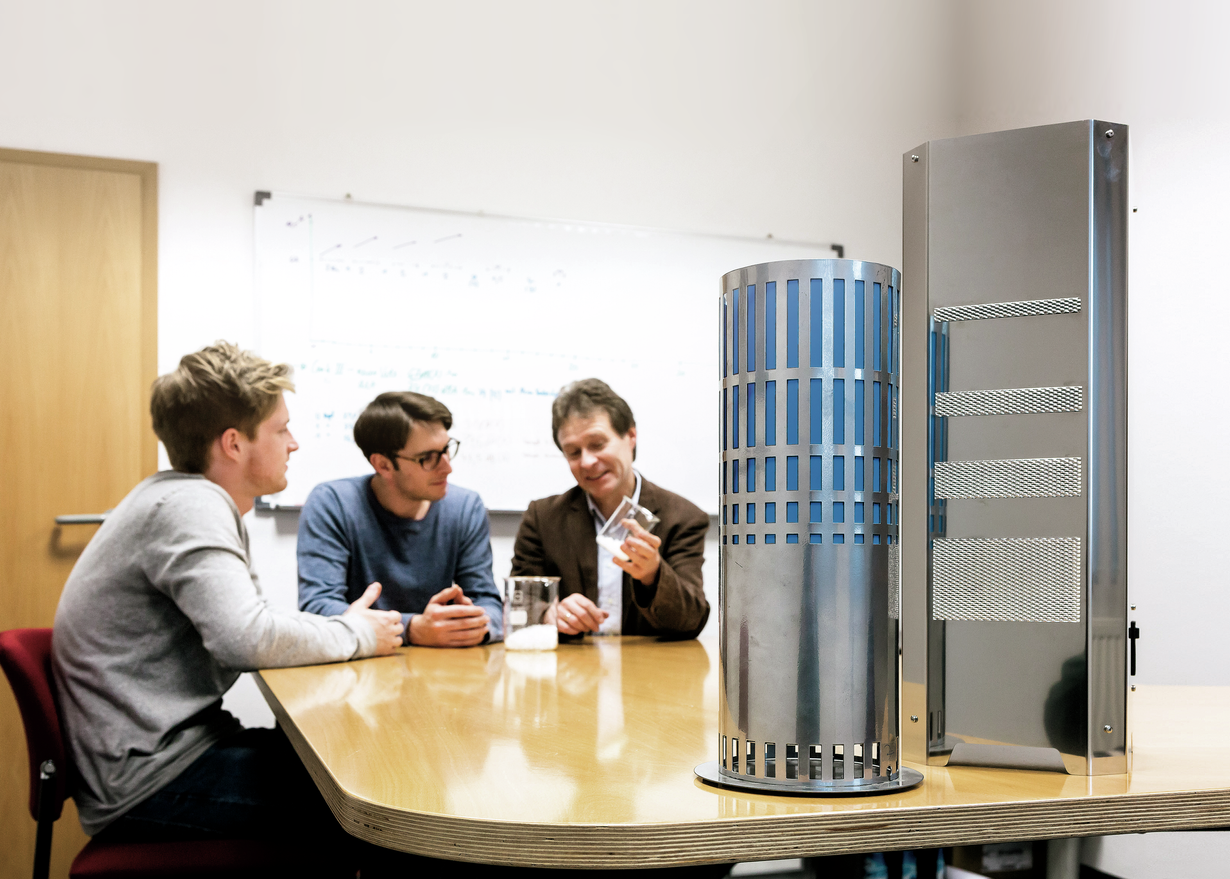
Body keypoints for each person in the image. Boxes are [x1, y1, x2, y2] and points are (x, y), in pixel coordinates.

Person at [52, 342, 404, 851]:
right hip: (150, 782)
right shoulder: (189, 507)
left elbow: (252, 622)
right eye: (281, 429)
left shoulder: (180, 497)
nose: (294, 444)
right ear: (234, 444)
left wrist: (344, 630)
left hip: (177, 753)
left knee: (348, 758)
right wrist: (356, 634)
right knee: (371, 796)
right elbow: (246, 638)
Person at [297, 391, 502, 647]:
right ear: (383, 465)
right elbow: (318, 607)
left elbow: (489, 603)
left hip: (442, 663)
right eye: (427, 458)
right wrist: (412, 628)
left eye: (447, 449)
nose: (447, 467)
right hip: (360, 662)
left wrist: (471, 625)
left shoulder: (465, 507)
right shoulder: (332, 504)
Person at [511, 378, 710, 639]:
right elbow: (518, 605)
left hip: (650, 663)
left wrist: (653, 574)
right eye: (573, 452)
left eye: (598, 444)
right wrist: (550, 614)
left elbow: (692, 620)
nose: (587, 461)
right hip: (572, 664)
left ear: (631, 437)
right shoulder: (543, 518)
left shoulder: (682, 517)